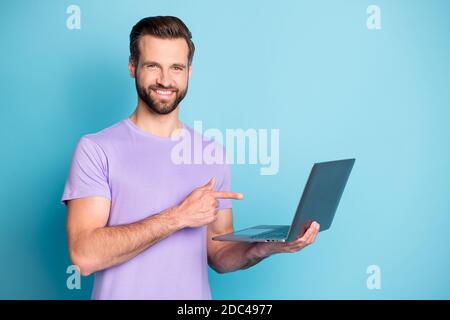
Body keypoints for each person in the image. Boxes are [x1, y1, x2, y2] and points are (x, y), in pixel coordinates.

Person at [61, 16, 320, 300]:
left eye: (176, 68)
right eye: (152, 66)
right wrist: (178, 217)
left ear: (189, 72)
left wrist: (267, 247)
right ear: (132, 66)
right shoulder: (96, 149)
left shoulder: (212, 154)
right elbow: (84, 255)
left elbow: (218, 254)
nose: (165, 80)